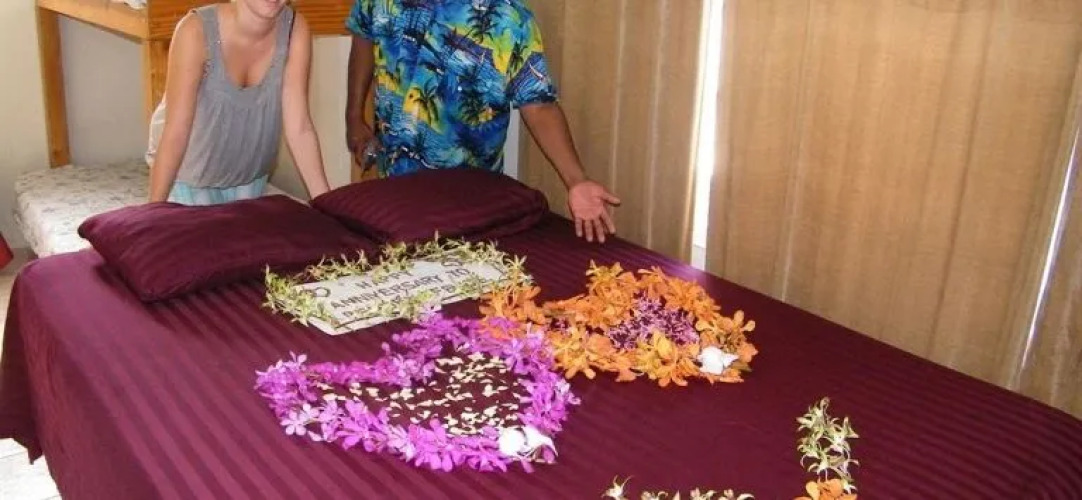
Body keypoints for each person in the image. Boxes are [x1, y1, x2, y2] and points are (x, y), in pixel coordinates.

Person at [344, 0, 621, 243]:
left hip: (469, 202)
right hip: (393, 187)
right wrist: (354, 116)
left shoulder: (507, 17)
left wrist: (576, 180)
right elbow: (363, 36)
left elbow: (538, 105)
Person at [145, 0, 331, 205]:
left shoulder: (294, 29)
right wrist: (153, 211)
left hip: (249, 178)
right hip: (188, 180)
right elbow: (175, 132)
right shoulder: (195, 31)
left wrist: (328, 204)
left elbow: (300, 128)